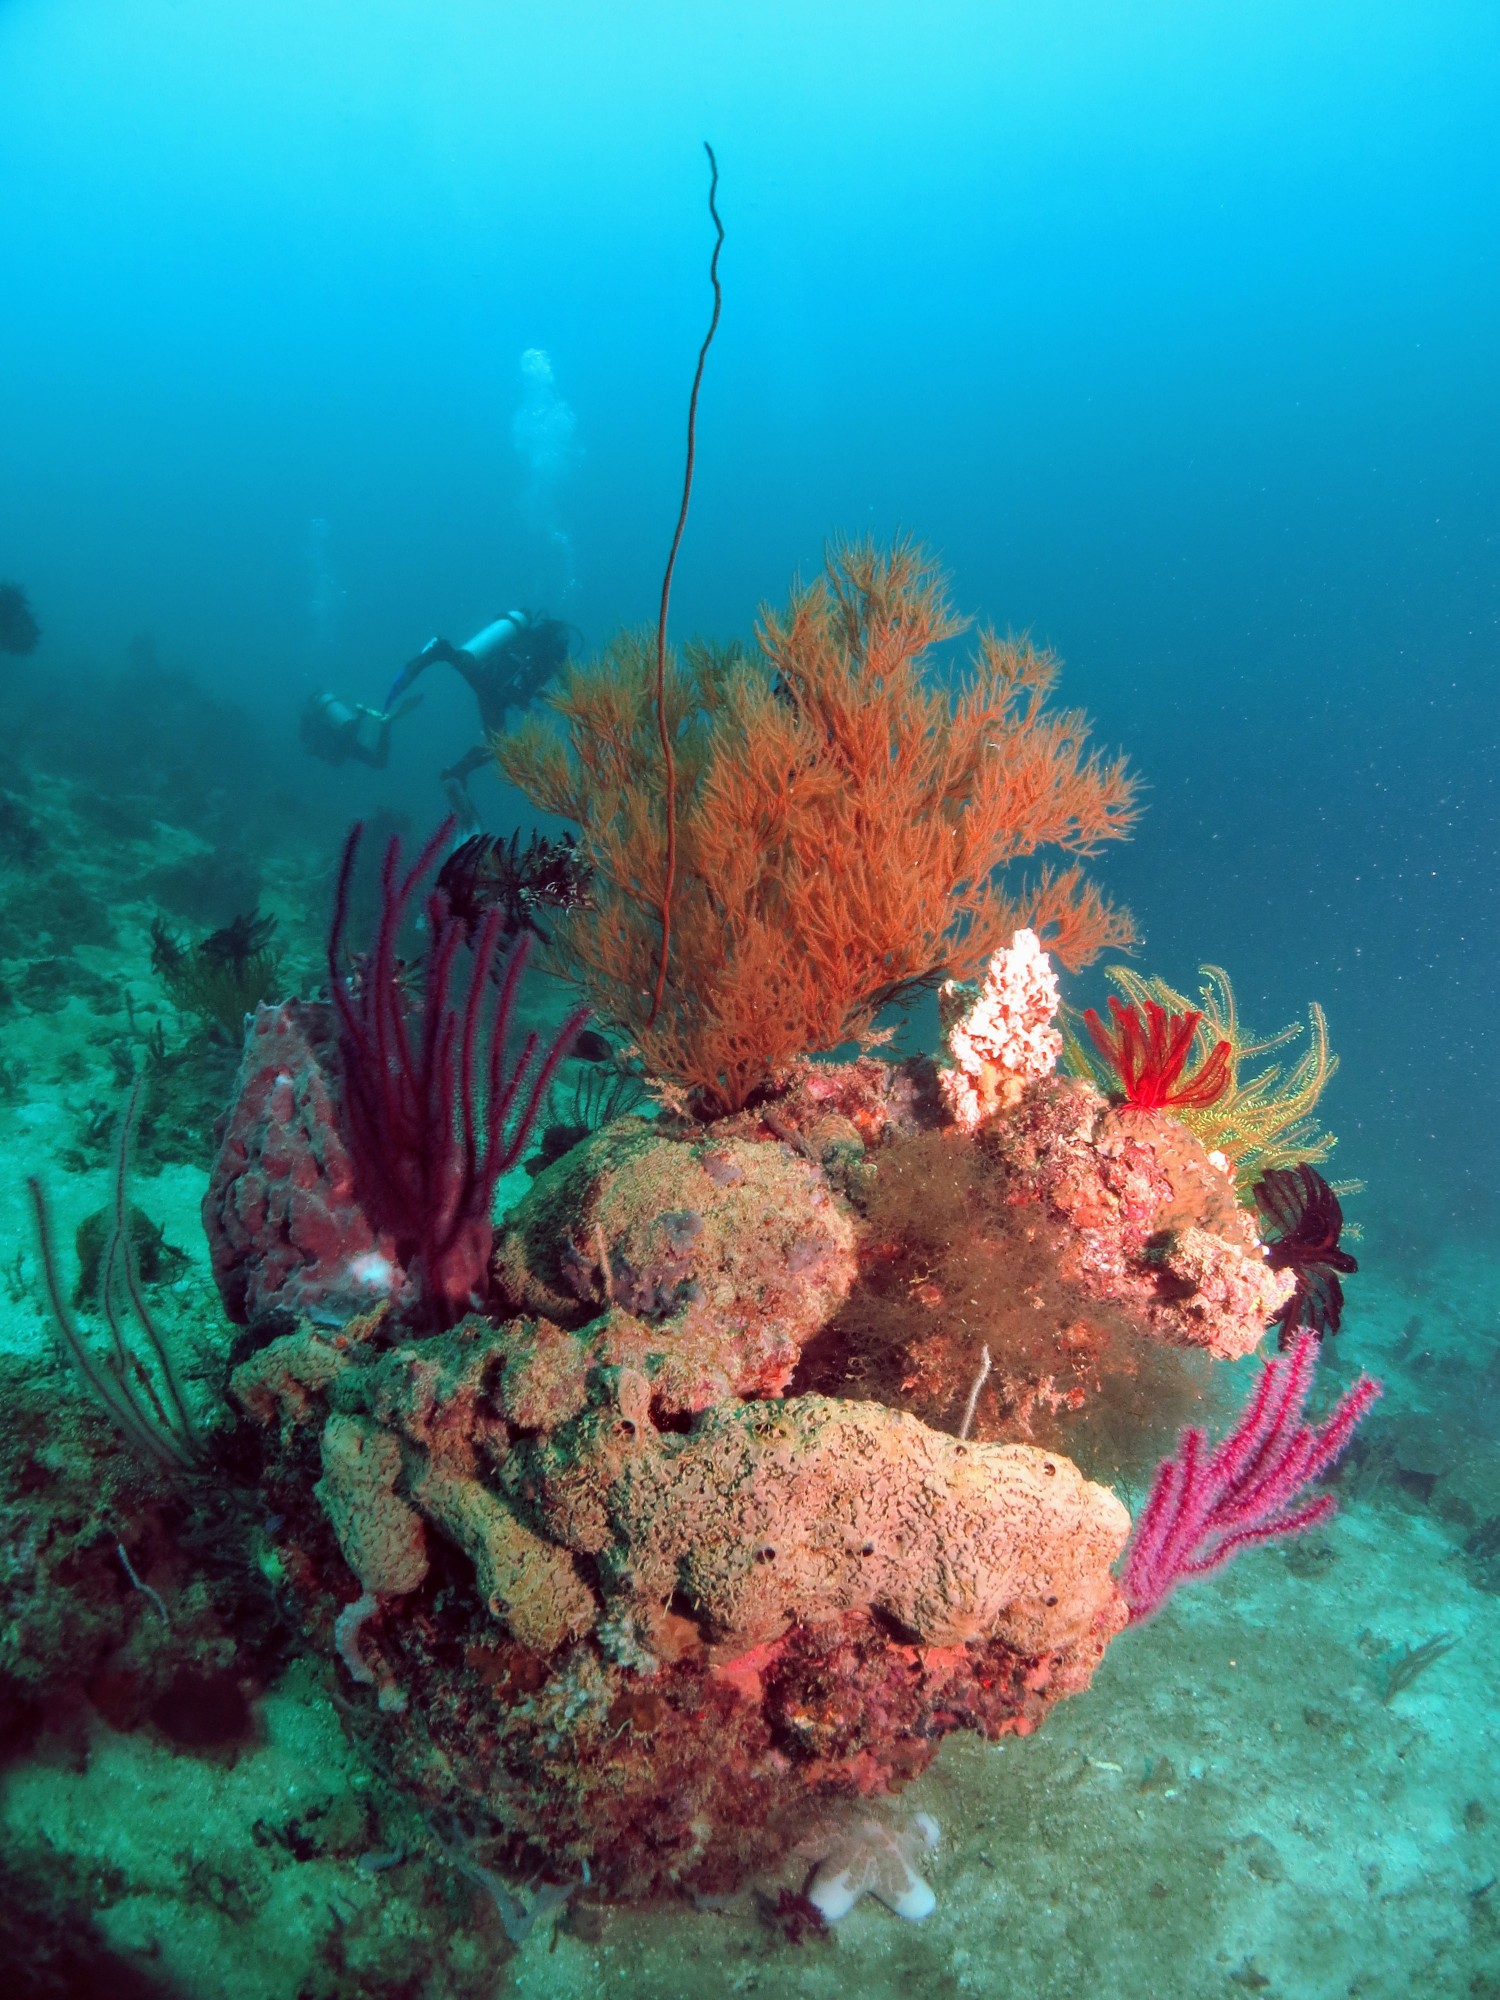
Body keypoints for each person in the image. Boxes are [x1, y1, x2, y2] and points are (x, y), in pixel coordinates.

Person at [384, 609, 571, 793]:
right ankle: (443, 650)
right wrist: (529, 707)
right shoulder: (544, 655)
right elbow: (518, 685)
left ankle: (457, 773)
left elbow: (525, 686)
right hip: (494, 685)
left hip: (495, 696)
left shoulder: (538, 650)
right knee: (471, 673)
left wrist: (536, 701)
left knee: (496, 742)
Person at [299, 690, 419, 768]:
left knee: (378, 762)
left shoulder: (310, 720)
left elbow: (319, 743)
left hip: (339, 744)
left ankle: (377, 722)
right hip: (344, 739)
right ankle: (385, 725)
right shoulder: (315, 718)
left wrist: (313, 748)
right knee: (379, 763)